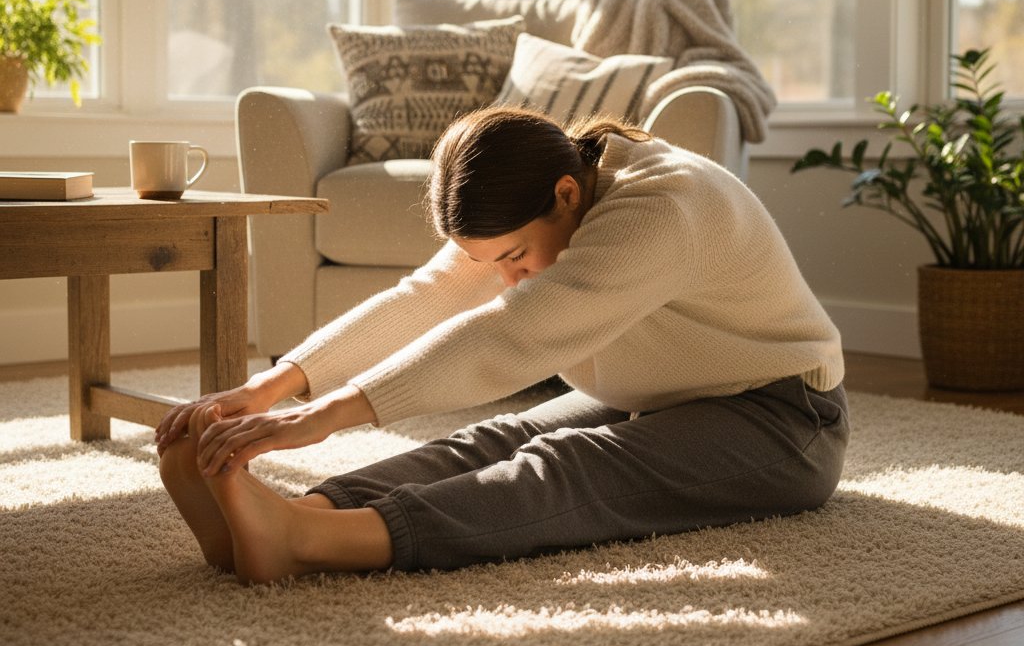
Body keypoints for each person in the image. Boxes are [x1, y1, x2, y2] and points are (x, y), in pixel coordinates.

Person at [156, 106, 849, 585]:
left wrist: (323, 417)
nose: (509, 276)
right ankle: (296, 515)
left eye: (516, 257)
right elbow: (421, 300)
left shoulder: (663, 207)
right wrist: (272, 388)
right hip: (661, 394)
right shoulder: (548, 197)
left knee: (571, 464)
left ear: (567, 194)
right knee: (493, 439)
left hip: (784, 420)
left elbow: (508, 334)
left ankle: (311, 543)